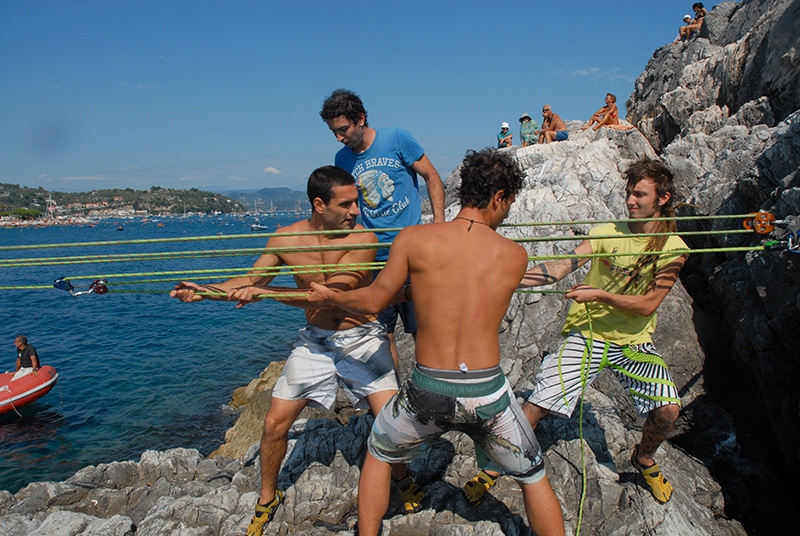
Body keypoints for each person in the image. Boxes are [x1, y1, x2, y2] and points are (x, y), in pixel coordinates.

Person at [308, 149, 565, 536]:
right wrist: (583, 255)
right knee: (533, 474)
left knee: (379, 453)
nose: (507, 213)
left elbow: (374, 301)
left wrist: (331, 297)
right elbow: (536, 276)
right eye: (508, 203)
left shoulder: (413, 240)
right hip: (487, 394)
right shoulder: (513, 255)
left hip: (428, 392)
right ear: (498, 197)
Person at [170, 166, 423, 536]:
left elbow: (330, 294)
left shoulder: (364, 238)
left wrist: (266, 294)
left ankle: (402, 476)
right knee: (274, 422)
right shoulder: (284, 240)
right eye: (347, 203)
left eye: (357, 202)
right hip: (315, 341)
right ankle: (267, 498)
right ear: (319, 205)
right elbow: (252, 281)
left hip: (362, 336)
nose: (357, 210)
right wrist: (204, 290)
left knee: (391, 422)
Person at [463, 159, 687, 506]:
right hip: (589, 334)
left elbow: (647, 305)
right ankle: (493, 467)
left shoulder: (673, 246)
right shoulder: (608, 231)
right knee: (538, 404)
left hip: (634, 341)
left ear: (663, 198)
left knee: (668, 411)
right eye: (628, 193)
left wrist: (599, 294)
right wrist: (508, 282)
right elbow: (563, 264)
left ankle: (643, 459)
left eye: (639, 194)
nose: (630, 201)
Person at [320, 89, 445, 367]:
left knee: (421, 328)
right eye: (334, 132)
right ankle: (393, 398)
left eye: (343, 129)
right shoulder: (342, 159)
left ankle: (430, 391)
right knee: (382, 333)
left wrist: (439, 225)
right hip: (373, 258)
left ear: (360, 119)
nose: (339, 138)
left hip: (412, 254)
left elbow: (431, 175)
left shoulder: (397, 138)